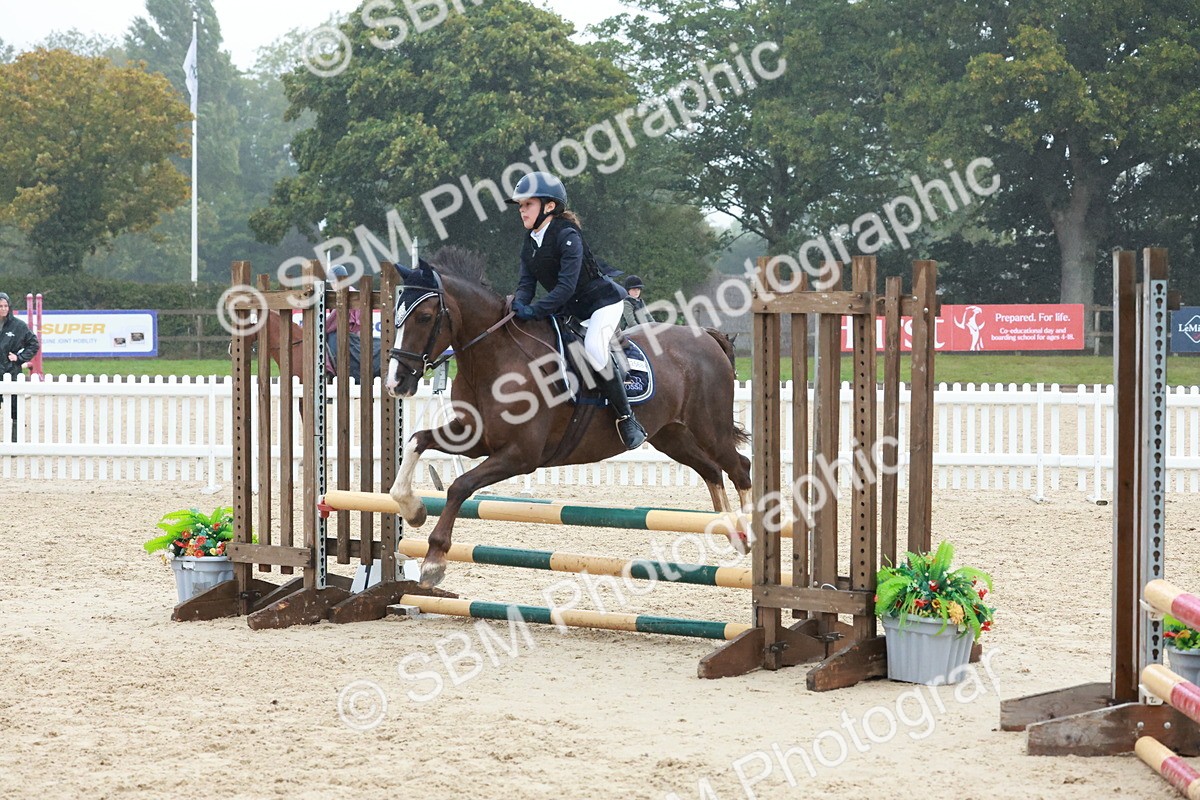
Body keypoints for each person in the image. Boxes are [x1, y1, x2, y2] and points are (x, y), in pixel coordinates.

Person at [505, 171, 647, 449]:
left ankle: (626, 418)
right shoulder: (529, 242)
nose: (521, 211)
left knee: (594, 349)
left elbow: (566, 287)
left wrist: (534, 311)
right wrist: (519, 304)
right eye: (520, 206)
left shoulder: (567, 235)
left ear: (549, 206)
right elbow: (526, 284)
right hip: (571, 307)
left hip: (602, 303)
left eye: (527, 204)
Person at [324, 265, 380, 380]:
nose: (332, 285)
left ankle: (330, 372)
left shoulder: (346, 294)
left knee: (328, 343)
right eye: (332, 283)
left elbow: (331, 321)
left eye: (334, 282)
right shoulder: (348, 291)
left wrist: (320, 329)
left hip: (348, 334)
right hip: (353, 333)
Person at [0, 291, 39, 441]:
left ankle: (15, 441)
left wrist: (20, 358)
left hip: (11, 372)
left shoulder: (18, 326)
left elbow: (34, 344)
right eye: (0, 306)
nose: (3, 309)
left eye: (5, 306)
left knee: (14, 409)